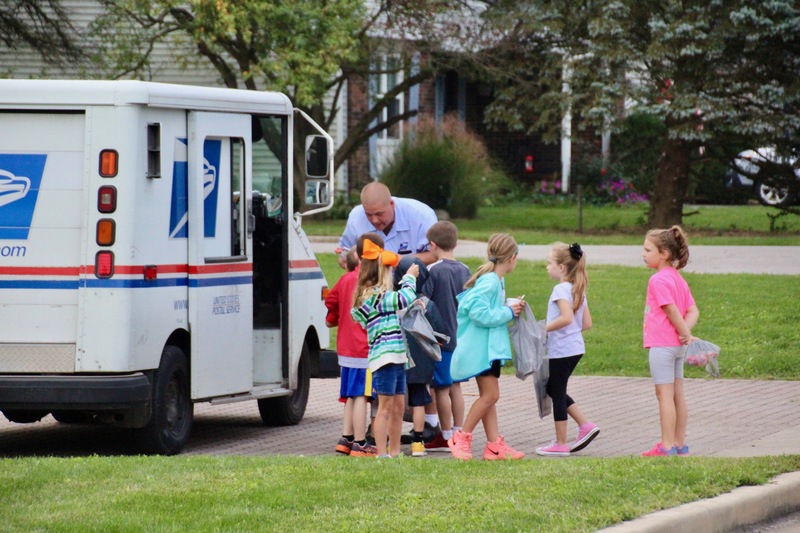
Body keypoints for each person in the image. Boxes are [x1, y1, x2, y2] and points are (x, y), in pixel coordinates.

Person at [447, 233, 526, 461]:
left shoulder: (495, 280)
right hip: (483, 350)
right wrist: (507, 312)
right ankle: (460, 437)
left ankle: (494, 446)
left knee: (488, 397)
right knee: (490, 396)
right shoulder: (491, 281)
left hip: (488, 350)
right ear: (512, 257)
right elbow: (476, 311)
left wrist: (506, 305)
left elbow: (485, 307)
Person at [351, 236, 419, 458]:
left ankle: (395, 452)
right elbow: (404, 298)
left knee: (398, 407)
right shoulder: (375, 296)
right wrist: (409, 279)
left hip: (397, 356)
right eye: (388, 269)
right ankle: (382, 454)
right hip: (386, 357)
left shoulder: (378, 296)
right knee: (386, 407)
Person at [535, 242, 599, 456]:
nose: (547, 267)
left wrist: (543, 329)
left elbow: (566, 318)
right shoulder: (576, 288)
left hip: (562, 350)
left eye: (549, 263)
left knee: (557, 391)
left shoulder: (561, 289)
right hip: (575, 348)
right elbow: (586, 323)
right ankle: (585, 425)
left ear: (561, 267)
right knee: (554, 389)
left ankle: (561, 443)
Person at [641, 226, 699, 457]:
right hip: (676, 346)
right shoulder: (678, 279)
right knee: (678, 394)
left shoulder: (657, 280)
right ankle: (679, 444)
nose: (643, 254)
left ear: (663, 253)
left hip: (662, 346)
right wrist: (685, 334)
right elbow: (693, 310)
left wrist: (684, 332)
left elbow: (672, 311)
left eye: (647, 250)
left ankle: (666, 447)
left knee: (664, 395)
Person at [421, 221, 471, 452]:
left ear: (432, 245)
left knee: (440, 388)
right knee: (456, 387)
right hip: (460, 338)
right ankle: (460, 431)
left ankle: (445, 434)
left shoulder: (433, 270)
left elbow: (423, 303)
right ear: (456, 243)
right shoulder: (465, 269)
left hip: (439, 339)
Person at [325, 242, 377, 458]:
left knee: (349, 396)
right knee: (361, 397)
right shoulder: (371, 284)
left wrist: (333, 318)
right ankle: (360, 442)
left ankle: (345, 438)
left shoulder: (346, 279)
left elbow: (331, 300)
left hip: (346, 348)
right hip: (363, 350)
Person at [338, 182, 437, 267]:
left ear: (392, 204)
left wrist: (397, 260)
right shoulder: (356, 217)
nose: (374, 220)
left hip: (414, 282)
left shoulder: (422, 216)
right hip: (371, 284)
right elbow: (345, 253)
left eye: (379, 214)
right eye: (368, 214)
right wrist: (347, 260)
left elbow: (436, 255)